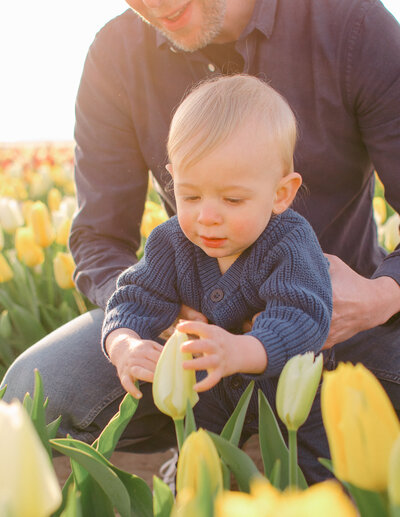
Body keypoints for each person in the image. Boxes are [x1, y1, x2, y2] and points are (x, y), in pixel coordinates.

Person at [1, 0, 399, 477]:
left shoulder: (351, 25)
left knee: (316, 456)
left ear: (283, 193)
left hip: (338, 332)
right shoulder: (173, 237)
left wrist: (382, 294)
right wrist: (129, 339)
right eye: (188, 195)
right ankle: (191, 465)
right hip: (196, 356)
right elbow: (117, 266)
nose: (207, 217)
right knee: (30, 394)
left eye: (232, 200)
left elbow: (298, 320)